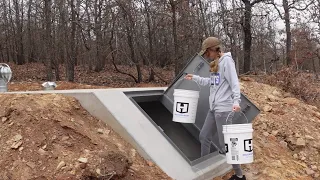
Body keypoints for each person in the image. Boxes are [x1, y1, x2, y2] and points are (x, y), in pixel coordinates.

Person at [185, 37, 246, 180]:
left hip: (224, 110)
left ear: (214, 49)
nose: (206, 55)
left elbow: (234, 83)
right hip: (214, 109)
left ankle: (239, 175)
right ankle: (204, 171)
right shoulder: (216, 64)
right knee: (204, 136)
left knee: (226, 144)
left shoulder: (227, 62)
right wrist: (194, 77)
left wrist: (236, 101)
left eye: (207, 52)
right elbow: (211, 82)